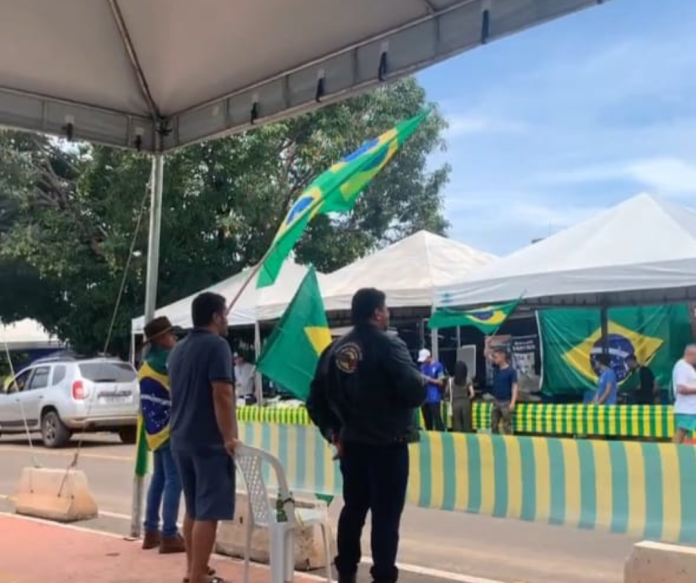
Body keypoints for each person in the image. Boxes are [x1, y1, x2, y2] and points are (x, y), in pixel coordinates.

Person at [307, 287, 426, 583]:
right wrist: (422, 379)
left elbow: (314, 400)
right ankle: (383, 576)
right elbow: (414, 392)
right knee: (385, 518)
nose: (388, 315)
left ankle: (345, 573)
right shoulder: (389, 345)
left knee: (354, 510)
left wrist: (333, 432)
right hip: (388, 445)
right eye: (386, 310)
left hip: (352, 445)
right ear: (376, 312)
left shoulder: (333, 350)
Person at [168, 292, 238, 583]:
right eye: (225, 313)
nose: (227, 319)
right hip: (208, 440)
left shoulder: (179, 349)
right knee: (208, 511)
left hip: (181, 437)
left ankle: (192, 569)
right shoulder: (217, 346)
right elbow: (221, 393)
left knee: (194, 508)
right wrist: (230, 437)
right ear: (215, 316)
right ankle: (198, 575)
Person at [139, 316, 185, 554]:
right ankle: (169, 534)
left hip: (153, 430)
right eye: (170, 334)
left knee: (158, 478)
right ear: (160, 339)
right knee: (174, 480)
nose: (174, 337)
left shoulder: (146, 363)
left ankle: (150, 531)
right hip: (170, 427)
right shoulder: (168, 360)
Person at [488, 347, 518, 435]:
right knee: (493, 424)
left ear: (503, 356)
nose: (494, 359)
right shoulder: (496, 368)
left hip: (506, 402)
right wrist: (487, 344)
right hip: (496, 401)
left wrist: (513, 402)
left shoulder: (511, 371)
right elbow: (486, 355)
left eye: (496, 357)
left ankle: (509, 443)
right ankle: (495, 441)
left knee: (507, 425)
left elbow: (514, 387)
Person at [672, 344, 696, 444]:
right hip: (686, 408)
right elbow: (680, 389)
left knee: (682, 431)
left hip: (691, 408)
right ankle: (673, 452)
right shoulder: (682, 367)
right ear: (691, 354)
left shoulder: (688, 367)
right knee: (681, 431)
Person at [418, 348, 446, 431]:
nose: (423, 362)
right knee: (427, 421)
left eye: (424, 359)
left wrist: (429, 379)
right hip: (424, 398)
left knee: (437, 420)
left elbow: (441, 382)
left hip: (434, 397)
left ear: (429, 357)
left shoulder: (438, 366)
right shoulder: (422, 367)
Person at [449, 360, 475, 433]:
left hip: (455, 402)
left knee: (457, 424)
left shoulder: (451, 380)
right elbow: (472, 394)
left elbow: (447, 392)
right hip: (465, 402)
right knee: (467, 424)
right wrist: (467, 398)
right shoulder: (467, 379)